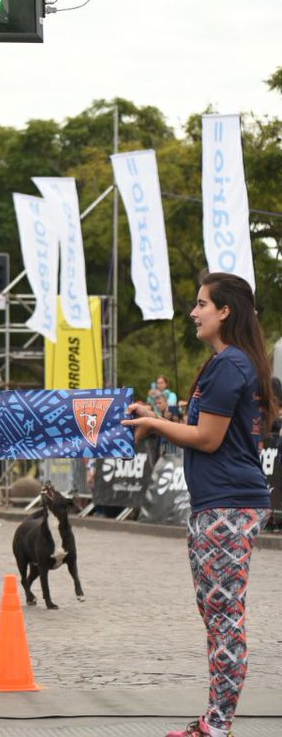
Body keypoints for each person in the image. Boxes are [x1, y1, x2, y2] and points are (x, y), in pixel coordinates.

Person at [123, 273, 277, 737]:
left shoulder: (230, 365)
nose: (193, 312)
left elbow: (207, 439)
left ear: (224, 311)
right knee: (217, 616)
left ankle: (216, 725)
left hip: (228, 505)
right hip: (220, 503)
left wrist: (156, 426)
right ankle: (214, 722)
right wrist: (158, 417)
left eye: (201, 303)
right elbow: (206, 432)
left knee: (224, 619)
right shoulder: (233, 362)